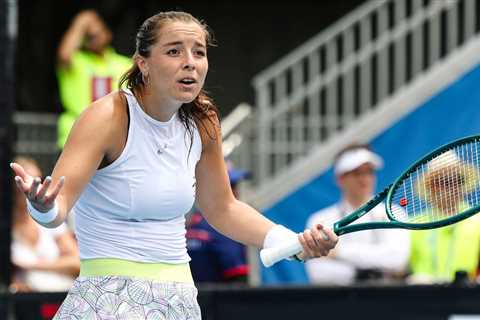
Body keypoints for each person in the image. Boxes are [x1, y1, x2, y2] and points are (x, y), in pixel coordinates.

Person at [11, 11, 337, 318]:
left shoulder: (204, 119)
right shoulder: (106, 116)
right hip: (107, 300)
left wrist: (288, 240)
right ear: (143, 64)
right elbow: (58, 207)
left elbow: (222, 208)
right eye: (174, 52)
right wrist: (42, 206)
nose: (190, 63)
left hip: (178, 299)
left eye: (199, 52)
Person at [305, 144, 410, 285]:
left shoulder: (393, 212)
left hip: (387, 301)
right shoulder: (320, 220)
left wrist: (337, 253)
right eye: (356, 173)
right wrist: (373, 270)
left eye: (369, 172)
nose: (364, 179)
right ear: (340, 179)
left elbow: (397, 259)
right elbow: (319, 273)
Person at [56, 9, 131, 149]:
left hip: (114, 138)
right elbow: (64, 55)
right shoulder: (77, 62)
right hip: (75, 136)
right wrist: (82, 21)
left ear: (108, 34)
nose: (93, 37)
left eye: (98, 32)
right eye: (88, 36)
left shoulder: (125, 65)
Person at [408, 150, 480, 284]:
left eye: (457, 180)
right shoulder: (412, 224)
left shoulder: (478, 220)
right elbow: (398, 269)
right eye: (445, 181)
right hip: (423, 299)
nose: (453, 187)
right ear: (431, 187)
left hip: (468, 299)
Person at [10, 156, 79, 293]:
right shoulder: (7, 225)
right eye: (24, 181)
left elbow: (76, 263)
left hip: (61, 297)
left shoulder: (49, 220)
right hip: (23, 305)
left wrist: (30, 265)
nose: (33, 188)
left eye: (38, 181)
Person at [186, 161, 250, 283]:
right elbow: (238, 279)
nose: (236, 193)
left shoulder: (192, 224)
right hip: (219, 300)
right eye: (230, 186)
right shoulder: (226, 229)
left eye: (235, 186)